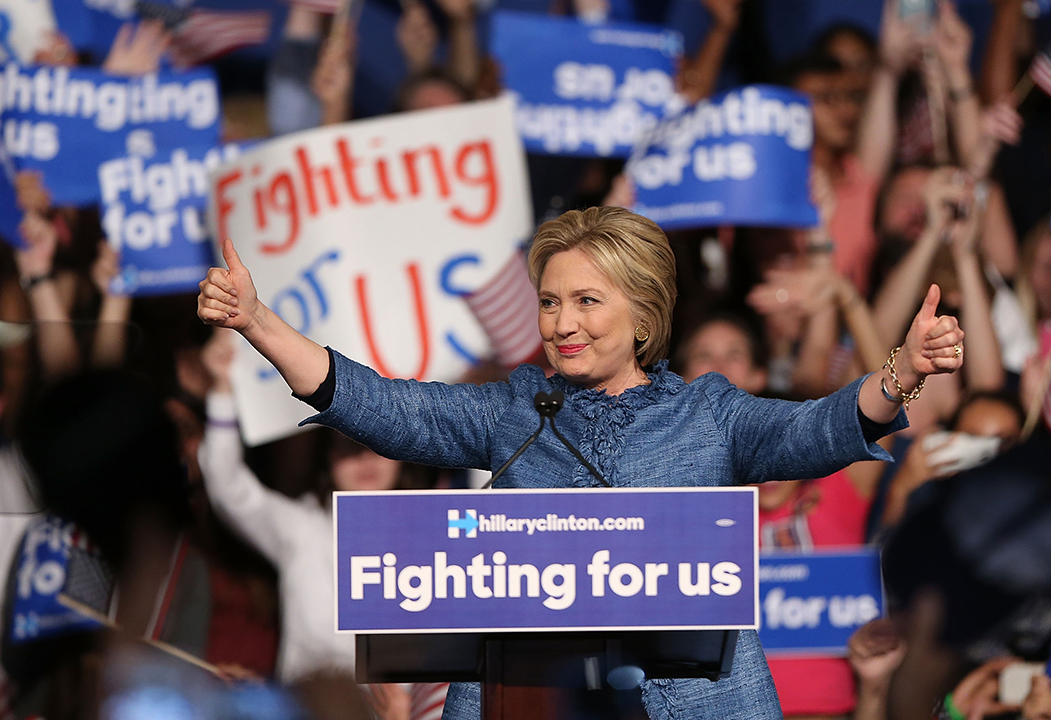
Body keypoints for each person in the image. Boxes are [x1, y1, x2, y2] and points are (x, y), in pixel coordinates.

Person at [197, 206, 965, 718]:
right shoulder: (514, 411)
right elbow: (386, 409)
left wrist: (900, 375)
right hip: (528, 701)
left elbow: (815, 431)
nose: (561, 323)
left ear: (643, 313)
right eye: (550, 301)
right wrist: (258, 323)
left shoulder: (708, 414)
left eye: (587, 301)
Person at [197, 330, 447, 718]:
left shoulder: (439, 535)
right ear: (327, 457)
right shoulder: (302, 527)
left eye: (379, 447)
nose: (366, 461)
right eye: (349, 447)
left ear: (401, 454)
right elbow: (227, 486)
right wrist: (222, 387)